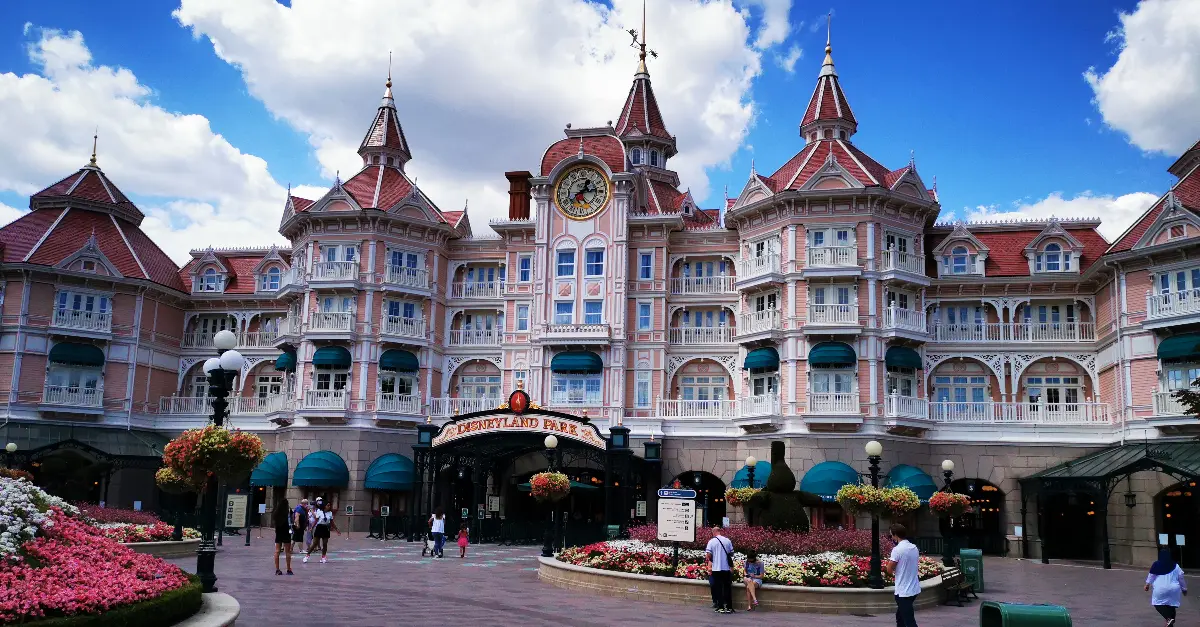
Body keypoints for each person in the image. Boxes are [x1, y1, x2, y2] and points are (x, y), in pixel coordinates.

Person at [885, 523, 920, 627]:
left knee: (909, 621)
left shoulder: (897, 550)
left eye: (891, 535)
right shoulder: (914, 547)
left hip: (903, 591)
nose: (891, 537)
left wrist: (892, 574)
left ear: (896, 535)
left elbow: (889, 568)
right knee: (900, 617)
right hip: (914, 589)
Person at [1145, 548, 1187, 626]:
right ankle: (1171, 621)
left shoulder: (1156, 564)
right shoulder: (1176, 565)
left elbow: (1151, 576)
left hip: (1160, 588)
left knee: (1157, 603)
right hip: (1174, 589)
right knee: (1171, 605)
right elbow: (1181, 577)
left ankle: (1169, 619)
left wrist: (1147, 584)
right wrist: (1184, 589)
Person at [705, 525, 735, 614]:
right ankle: (729, 607)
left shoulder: (711, 541)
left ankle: (720, 607)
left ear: (713, 532)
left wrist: (713, 559)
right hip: (726, 568)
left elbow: (708, 555)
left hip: (716, 568)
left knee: (718, 588)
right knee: (727, 588)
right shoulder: (727, 540)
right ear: (720, 531)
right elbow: (731, 553)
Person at [272, 498, 294, 576]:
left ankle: (277, 569)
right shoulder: (288, 511)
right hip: (286, 532)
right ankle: (288, 569)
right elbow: (292, 520)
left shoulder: (276, 512)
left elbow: (274, 522)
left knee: (277, 551)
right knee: (287, 551)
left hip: (278, 532)